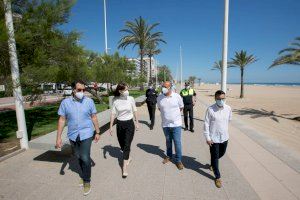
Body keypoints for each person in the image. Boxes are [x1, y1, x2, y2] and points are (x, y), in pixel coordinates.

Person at [56, 80, 100, 196]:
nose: (82, 92)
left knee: (85, 157)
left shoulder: (89, 101)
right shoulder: (65, 103)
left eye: (83, 90)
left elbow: (94, 117)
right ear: (73, 90)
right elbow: (62, 120)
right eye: (79, 90)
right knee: (78, 156)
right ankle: (83, 174)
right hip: (73, 135)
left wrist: (97, 131)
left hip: (86, 134)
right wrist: (58, 138)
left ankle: (87, 181)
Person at [203, 90, 232, 188]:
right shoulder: (210, 109)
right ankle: (217, 177)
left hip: (224, 137)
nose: (221, 100)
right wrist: (207, 137)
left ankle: (213, 163)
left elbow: (229, 120)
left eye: (223, 98)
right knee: (215, 157)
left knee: (221, 153)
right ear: (215, 99)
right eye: (219, 99)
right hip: (213, 138)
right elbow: (206, 124)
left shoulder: (228, 108)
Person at [109, 82, 139, 178]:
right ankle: (128, 157)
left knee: (127, 145)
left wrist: (137, 122)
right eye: (125, 90)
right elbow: (113, 113)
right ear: (120, 91)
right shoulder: (115, 100)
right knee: (122, 145)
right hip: (120, 124)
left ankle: (124, 167)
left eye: (127, 89)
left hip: (129, 124)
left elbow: (135, 110)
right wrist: (110, 127)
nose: (127, 91)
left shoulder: (131, 99)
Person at [157, 81, 184, 170]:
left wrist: (173, 116)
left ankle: (178, 160)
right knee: (168, 141)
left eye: (165, 86)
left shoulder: (177, 96)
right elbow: (160, 108)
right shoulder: (159, 97)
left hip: (176, 124)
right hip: (165, 124)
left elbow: (181, 107)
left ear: (170, 87)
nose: (163, 88)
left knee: (177, 142)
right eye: (162, 86)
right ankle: (169, 156)